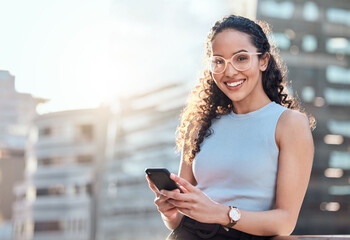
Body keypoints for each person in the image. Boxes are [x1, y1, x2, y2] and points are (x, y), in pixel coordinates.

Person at [146, 15, 315, 240]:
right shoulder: (199, 126)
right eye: (219, 61)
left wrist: (222, 214)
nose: (230, 71)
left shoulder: (289, 123)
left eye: (241, 58)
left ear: (263, 60)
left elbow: (285, 222)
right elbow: (180, 220)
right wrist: (170, 212)